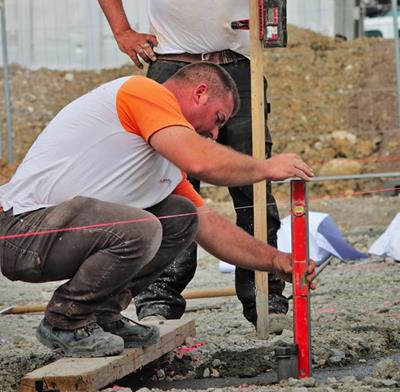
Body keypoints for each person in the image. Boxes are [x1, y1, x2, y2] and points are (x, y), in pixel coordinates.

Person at [90, 0, 297, 328]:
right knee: (168, 183)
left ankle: (265, 297)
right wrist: (122, 31)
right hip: (174, 68)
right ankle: (159, 297)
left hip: (239, 64)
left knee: (253, 177)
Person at [0, 63, 315, 358]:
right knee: (142, 227)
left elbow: (210, 227)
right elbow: (202, 162)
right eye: (218, 119)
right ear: (200, 92)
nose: (215, 134)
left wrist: (275, 260)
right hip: (20, 231)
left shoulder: (164, 161)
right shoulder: (144, 92)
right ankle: (65, 320)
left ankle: (101, 314)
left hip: (50, 235)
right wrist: (265, 167)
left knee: (180, 216)